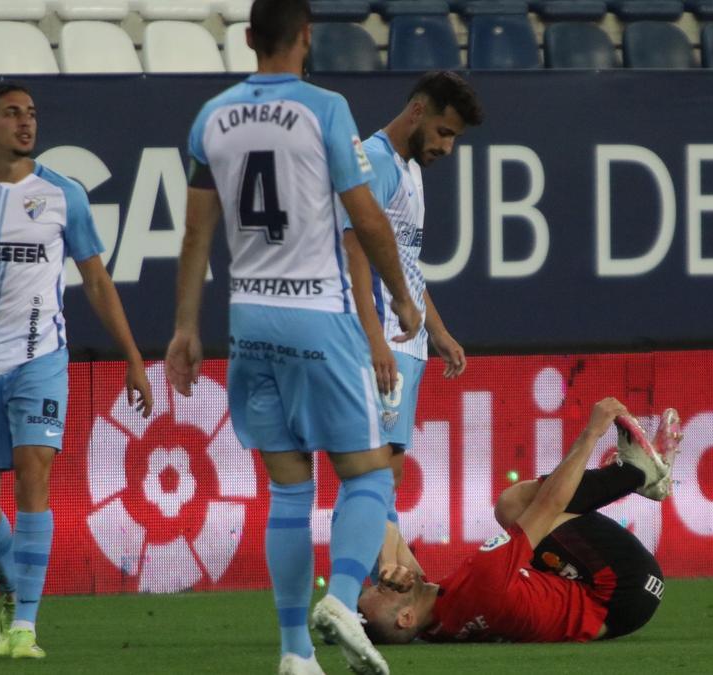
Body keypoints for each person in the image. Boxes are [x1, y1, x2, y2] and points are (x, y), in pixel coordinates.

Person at [165, 1, 420, 673]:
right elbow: (366, 219)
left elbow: (196, 232)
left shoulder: (211, 117)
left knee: (287, 488)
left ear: (248, 39)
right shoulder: (325, 109)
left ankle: (294, 652)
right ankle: (339, 597)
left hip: (249, 322)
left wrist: (186, 326)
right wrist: (398, 295)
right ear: (307, 38)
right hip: (319, 314)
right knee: (368, 472)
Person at [0, 82, 153, 660]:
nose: (26, 123)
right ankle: (16, 590)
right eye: (12, 114)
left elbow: (96, 280)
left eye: (32, 114)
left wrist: (134, 358)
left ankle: (25, 627)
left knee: (33, 473)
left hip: (41, 359)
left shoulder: (63, 194)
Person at [358, 402, 683, 644]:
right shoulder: (483, 583)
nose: (384, 581)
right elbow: (549, 505)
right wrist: (592, 433)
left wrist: (387, 563)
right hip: (624, 587)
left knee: (521, 509)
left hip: (609, 605)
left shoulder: (435, 623)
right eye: (384, 590)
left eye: (378, 581)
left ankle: (642, 476)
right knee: (515, 505)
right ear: (405, 617)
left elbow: (382, 527)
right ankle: (636, 473)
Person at [342, 70, 483, 538]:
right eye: (445, 132)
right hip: (383, 337)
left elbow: (403, 262)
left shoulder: (411, 170)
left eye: (454, 138)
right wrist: (371, 340)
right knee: (373, 471)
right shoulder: (376, 161)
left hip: (408, 340)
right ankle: (375, 585)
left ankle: (382, 582)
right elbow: (355, 251)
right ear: (418, 111)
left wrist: (436, 330)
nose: (447, 147)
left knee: (388, 470)